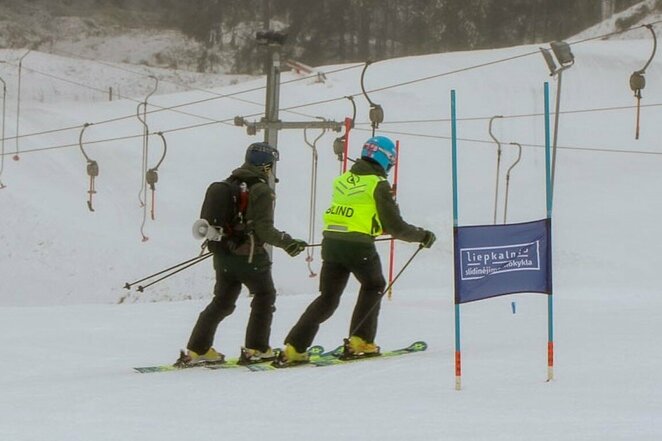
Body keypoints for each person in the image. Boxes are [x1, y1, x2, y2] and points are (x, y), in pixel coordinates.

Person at [276, 135, 436, 365]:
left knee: (328, 298)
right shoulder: (377, 184)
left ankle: (295, 347)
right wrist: (423, 236)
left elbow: (358, 213)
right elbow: (396, 227)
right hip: (358, 246)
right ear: (385, 159)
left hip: (331, 244)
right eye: (391, 161)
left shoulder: (342, 180)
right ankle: (360, 341)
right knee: (374, 285)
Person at [177, 142, 307, 366]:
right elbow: (263, 229)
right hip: (249, 257)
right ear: (265, 165)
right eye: (271, 164)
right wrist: (288, 243)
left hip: (223, 254)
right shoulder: (261, 189)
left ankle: (198, 349)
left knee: (222, 302)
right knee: (264, 297)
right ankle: (256, 348)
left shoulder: (230, 183)